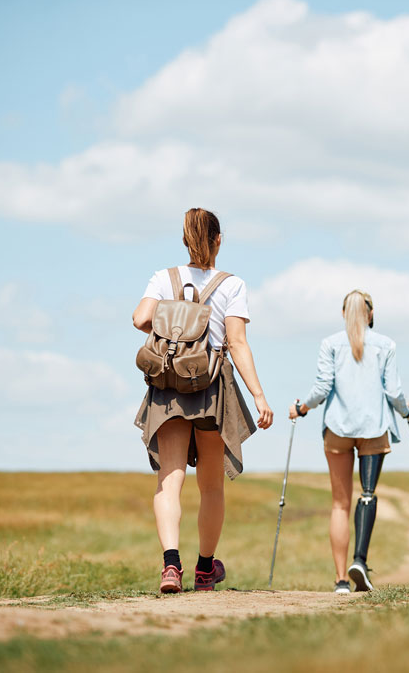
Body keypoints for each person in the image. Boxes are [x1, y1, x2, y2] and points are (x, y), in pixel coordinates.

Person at [133, 208, 273, 594]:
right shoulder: (231, 285)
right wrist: (259, 396)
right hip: (210, 387)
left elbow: (140, 319)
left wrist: (174, 317)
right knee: (211, 486)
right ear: (218, 240)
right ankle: (205, 569)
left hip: (168, 385)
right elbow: (238, 343)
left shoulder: (165, 278)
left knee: (170, 479)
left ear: (183, 240)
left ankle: (170, 566)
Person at [289, 290, 409, 593]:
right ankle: (360, 559)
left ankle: (340, 579)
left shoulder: (330, 344)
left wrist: (301, 408)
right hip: (374, 428)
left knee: (339, 505)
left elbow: (322, 388)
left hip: (338, 429)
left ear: (345, 314)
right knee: (367, 494)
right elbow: (393, 391)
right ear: (370, 314)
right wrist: (406, 409)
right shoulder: (386, 345)